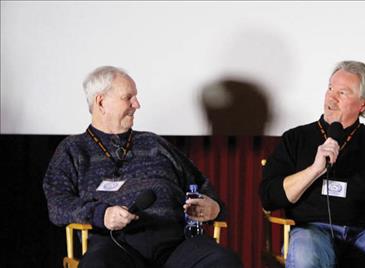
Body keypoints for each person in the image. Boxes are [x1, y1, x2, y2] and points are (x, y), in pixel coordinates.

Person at [43, 66, 242, 268]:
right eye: (128, 97)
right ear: (101, 102)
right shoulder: (73, 149)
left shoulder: (154, 143)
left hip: (175, 244)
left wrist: (215, 207)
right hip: (116, 244)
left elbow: (200, 184)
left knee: (223, 261)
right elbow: (58, 205)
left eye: (135, 97)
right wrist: (101, 214)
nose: (137, 104)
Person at [259, 60, 365, 268]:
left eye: (343, 92)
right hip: (312, 234)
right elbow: (269, 197)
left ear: (363, 104)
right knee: (303, 251)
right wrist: (314, 169)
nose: (331, 96)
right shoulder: (295, 138)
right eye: (330, 88)